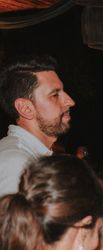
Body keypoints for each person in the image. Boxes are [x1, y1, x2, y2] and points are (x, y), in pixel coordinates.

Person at [0, 54, 75, 196]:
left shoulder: (30, 157)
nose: (70, 101)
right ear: (25, 108)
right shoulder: (17, 164)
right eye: (54, 95)